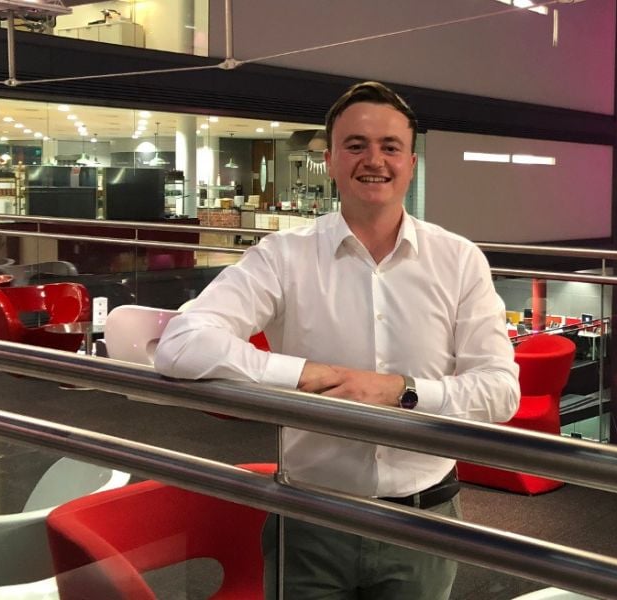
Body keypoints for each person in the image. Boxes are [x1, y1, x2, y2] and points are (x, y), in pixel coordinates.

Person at [154, 81, 520, 599]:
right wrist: (302, 375)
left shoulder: (460, 260)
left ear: (411, 163)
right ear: (330, 160)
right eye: (356, 145)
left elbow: (501, 391)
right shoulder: (284, 255)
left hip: (425, 521)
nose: (374, 160)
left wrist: (401, 390)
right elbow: (182, 342)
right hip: (309, 518)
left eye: (390, 146)